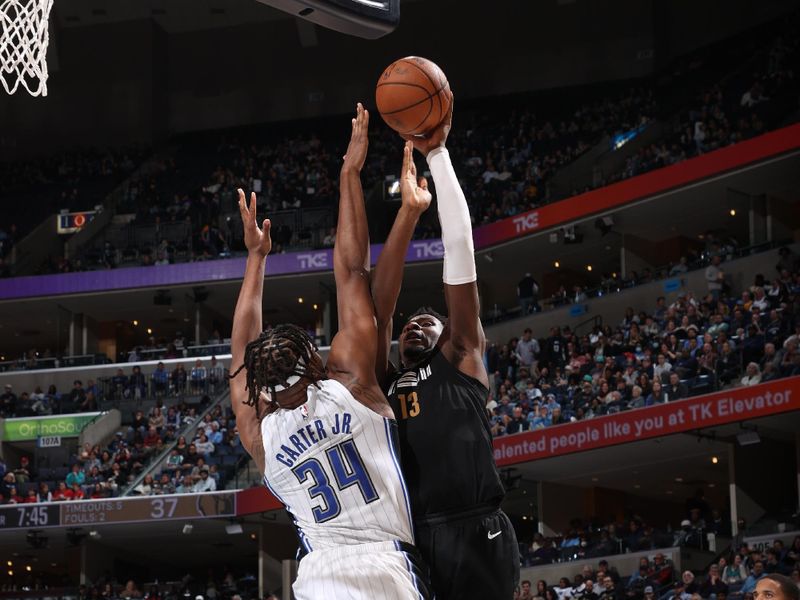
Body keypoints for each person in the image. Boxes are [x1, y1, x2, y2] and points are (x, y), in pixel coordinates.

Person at [228, 104, 429, 600]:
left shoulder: (260, 433)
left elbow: (239, 356)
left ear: (260, 386)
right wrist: (349, 174)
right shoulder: (350, 382)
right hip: (386, 566)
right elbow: (351, 272)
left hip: (318, 577)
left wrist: (256, 260)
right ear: (310, 359)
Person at [372, 95, 519, 600]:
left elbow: (460, 249)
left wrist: (438, 155)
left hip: (479, 525)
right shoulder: (385, 382)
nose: (414, 326)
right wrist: (407, 214)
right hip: (420, 535)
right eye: (409, 324)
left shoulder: (461, 355)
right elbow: (379, 308)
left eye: (427, 321)